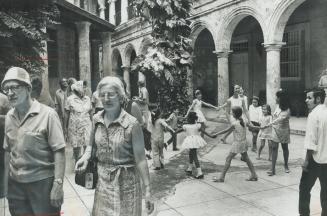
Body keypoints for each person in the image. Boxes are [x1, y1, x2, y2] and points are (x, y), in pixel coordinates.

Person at [75, 76, 154, 216]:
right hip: (103, 185)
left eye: (111, 94)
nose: (106, 98)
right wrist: (85, 157)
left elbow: (141, 159)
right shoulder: (96, 119)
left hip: (127, 187)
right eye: (103, 95)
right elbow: (90, 146)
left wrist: (147, 190)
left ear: (120, 96)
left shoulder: (132, 124)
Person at [2, 67, 65, 216]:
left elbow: (59, 151)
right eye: (6, 89)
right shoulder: (10, 116)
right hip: (16, 186)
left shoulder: (48, 114)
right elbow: (7, 151)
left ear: (28, 88)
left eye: (14, 87)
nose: (10, 93)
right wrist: (6, 185)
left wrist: (58, 184)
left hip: (42, 184)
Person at [299, 88, 327, 216]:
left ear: (318, 99)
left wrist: (306, 161)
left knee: (304, 189)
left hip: (314, 160)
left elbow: (311, 142)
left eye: (309, 98)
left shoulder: (313, 115)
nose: (306, 100)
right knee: (325, 191)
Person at [212, 106, 258, 182]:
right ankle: (254, 175)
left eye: (232, 112)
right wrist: (261, 127)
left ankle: (221, 177)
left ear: (235, 114)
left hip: (237, 143)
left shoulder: (235, 123)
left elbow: (225, 130)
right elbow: (253, 127)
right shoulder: (244, 120)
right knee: (246, 159)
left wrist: (216, 133)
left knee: (228, 158)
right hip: (243, 142)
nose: (231, 113)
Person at [262, 89, 291, 176]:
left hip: (284, 130)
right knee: (274, 148)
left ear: (281, 99)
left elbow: (278, 120)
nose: (276, 98)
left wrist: (268, 124)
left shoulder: (287, 110)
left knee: (284, 148)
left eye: (277, 97)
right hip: (275, 129)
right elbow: (274, 117)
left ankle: (286, 165)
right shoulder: (278, 106)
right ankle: (273, 168)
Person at [180, 112, 216, 179]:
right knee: (191, 153)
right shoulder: (197, 125)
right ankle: (189, 169)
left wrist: (173, 132)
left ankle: (200, 173)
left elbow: (179, 130)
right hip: (195, 141)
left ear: (189, 119)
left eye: (187, 118)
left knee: (194, 156)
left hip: (191, 141)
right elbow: (204, 131)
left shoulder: (186, 126)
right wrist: (211, 136)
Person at [65, 80, 92, 162]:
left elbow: (90, 112)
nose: (85, 88)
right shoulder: (70, 99)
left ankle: (86, 165)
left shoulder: (87, 99)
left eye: (85, 87)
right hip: (75, 126)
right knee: (76, 147)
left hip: (87, 125)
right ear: (78, 87)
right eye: (83, 86)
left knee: (87, 146)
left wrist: (93, 124)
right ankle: (77, 163)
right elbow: (66, 114)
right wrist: (65, 127)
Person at [0, 91, 10, 199]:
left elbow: (10, 116)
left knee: (2, 162)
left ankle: (2, 190)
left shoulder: (4, 98)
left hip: (1, 134)